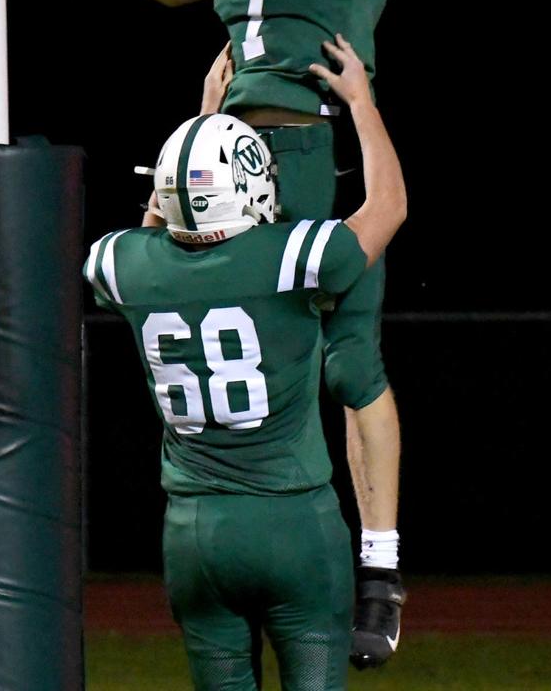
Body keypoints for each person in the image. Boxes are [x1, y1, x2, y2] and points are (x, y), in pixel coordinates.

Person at [5, 0, 501, 666]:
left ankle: (379, 569)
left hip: (314, 142)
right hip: (224, 153)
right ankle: (245, 534)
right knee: (208, 322)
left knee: (348, 360)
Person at [84, 34, 406, 690]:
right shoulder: (289, 256)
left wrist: (204, 121)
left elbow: (158, 225)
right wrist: (362, 105)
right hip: (293, 525)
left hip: (194, 534)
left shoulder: (124, 265)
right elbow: (389, 207)